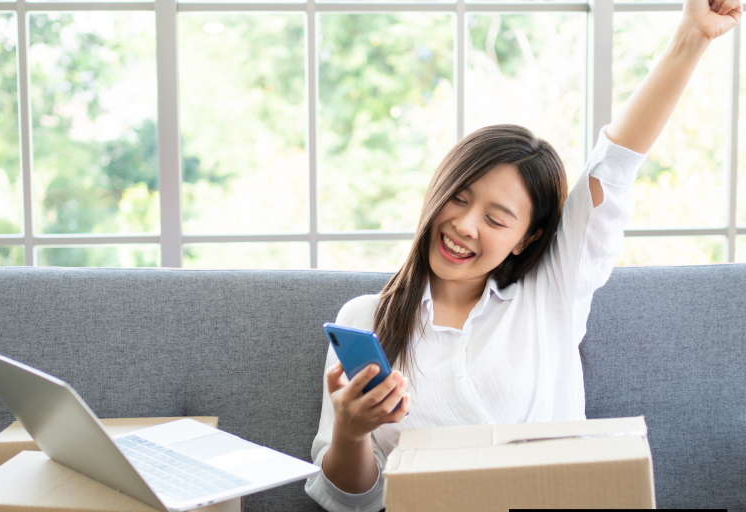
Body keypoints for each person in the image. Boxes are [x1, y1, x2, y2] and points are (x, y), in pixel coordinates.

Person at [306, 0, 742, 509]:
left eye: (495, 219)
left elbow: (615, 165)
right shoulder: (364, 322)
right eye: (459, 197)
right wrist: (351, 432)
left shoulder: (550, 296)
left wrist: (691, 38)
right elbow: (351, 501)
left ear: (527, 238)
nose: (464, 226)